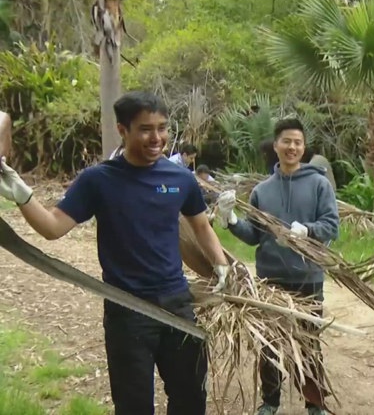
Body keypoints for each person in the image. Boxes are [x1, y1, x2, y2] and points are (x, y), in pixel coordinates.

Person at [0, 92, 230, 415]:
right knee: (133, 406)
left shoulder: (180, 178)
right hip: (127, 310)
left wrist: (221, 265)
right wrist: (22, 195)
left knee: (191, 399)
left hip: (178, 305)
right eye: (145, 129)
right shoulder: (98, 180)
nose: (157, 138)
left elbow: (202, 227)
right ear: (123, 130)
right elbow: (53, 228)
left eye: (162, 127)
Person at [215, 118, 339, 415]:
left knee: (308, 344)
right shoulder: (262, 190)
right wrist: (231, 220)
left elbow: (331, 226)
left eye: (297, 142)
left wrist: (307, 231)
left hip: (307, 278)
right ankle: (270, 402)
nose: (292, 147)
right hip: (270, 279)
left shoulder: (319, 184)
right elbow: (254, 235)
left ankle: (315, 404)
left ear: (304, 147)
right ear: (276, 145)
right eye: (287, 141)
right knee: (269, 343)